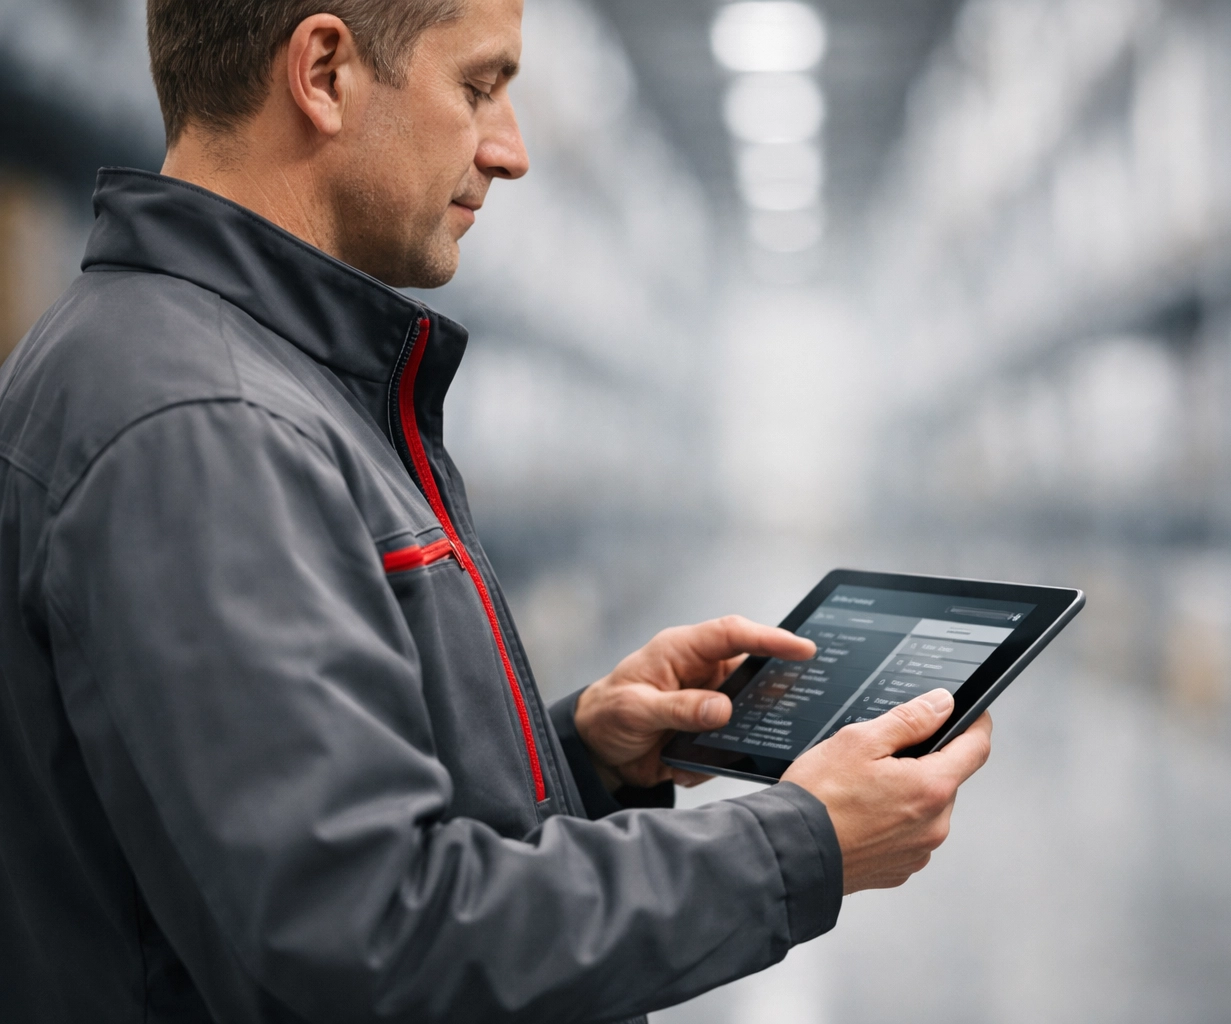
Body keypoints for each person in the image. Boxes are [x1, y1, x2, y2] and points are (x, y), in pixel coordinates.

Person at [0, 1, 993, 1021]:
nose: (511, 150)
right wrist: (799, 843)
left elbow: (280, 819)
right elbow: (359, 942)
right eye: (478, 88)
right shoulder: (204, 423)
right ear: (325, 73)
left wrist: (574, 758)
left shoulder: (263, 382)